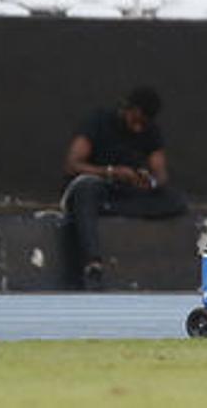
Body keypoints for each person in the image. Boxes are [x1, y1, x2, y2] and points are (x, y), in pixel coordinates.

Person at [60, 86, 186, 291]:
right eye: (135, 121)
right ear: (128, 109)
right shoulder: (98, 121)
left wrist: (149, 181)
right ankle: (93, 263)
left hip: (127, 192)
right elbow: (72, 165)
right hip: (99, 183)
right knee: (86, 190)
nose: (138, 128)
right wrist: (111, 172)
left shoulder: (151, 131)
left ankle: (108, 209)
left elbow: (161, 175)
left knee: (175, 201)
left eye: (143, 124)